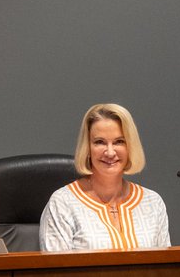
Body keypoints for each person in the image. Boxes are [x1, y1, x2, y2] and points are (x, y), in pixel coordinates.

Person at [40, 103, 170, 251]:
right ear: (87, 148)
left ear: (130, 147)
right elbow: (55, 272)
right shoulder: (62, 203)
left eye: (119, 142)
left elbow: (165, 269)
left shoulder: (153, 202)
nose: (109, 152)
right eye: (99, 142)